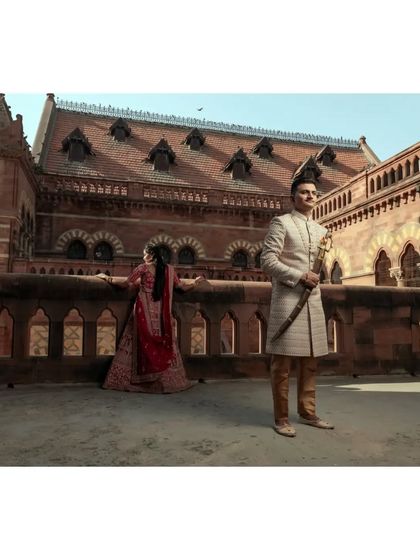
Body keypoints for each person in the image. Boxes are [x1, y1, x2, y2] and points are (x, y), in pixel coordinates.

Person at [260, 177, 334, 437]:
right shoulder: (282, 223)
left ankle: (308, 412)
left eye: (314, 193)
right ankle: (281, 418)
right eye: (304, 192)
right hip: (288, 299)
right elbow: (267, 260)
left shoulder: (321, 230)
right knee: (282, 365)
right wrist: (300, 275)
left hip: (312, 300)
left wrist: (313, 278)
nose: (311, 196)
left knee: (311, 362)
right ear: (293, 197)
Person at [98, 244, 203, 393]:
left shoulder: (143, 268)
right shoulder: (169, 270)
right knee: (163, 345)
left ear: (152, 255)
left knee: (137, 344)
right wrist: (196, 282)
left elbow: (124, 284)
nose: (143, 257)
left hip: (143, 312)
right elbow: (181, 287)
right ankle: (166, 381)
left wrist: (105, 277)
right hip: (162, 315)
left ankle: (132, 380)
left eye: (145, 254)